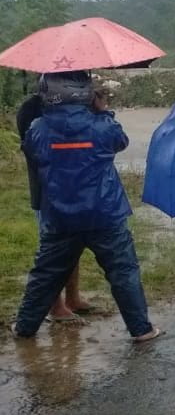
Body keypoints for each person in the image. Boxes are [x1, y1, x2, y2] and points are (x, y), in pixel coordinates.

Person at [12, 72, 160, 342]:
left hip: (60, 215)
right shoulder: (103, 126)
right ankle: (141, 329)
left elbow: (32, 150)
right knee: (123, 271)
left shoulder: (38, 128)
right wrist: (103, 112)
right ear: (86, 93)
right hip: (105, 212)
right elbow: (120, 141)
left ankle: (25, 327)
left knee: (45, 274)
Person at [16, 89, 92, 322]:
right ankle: (55, 306)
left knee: (74, 246)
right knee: (51, 252)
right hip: (47, 192)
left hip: (74, 188)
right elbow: (36, 149)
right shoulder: (32, 109)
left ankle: (72, 297)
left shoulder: (76, 105)